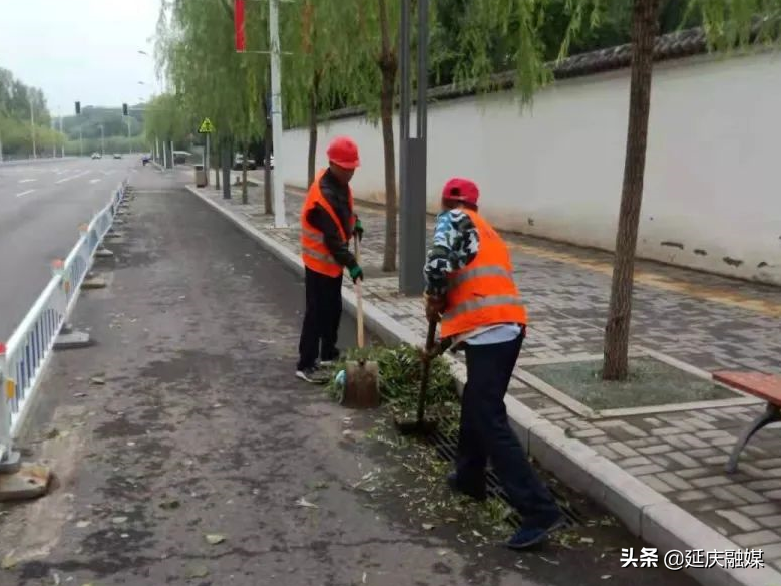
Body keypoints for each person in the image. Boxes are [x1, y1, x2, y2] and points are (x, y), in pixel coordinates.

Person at [424, 177, 565, 549]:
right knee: (477, 403)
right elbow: (474, 283)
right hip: (509, 328)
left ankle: (539, 510)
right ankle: (470, 476)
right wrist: (443, 340)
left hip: (489, 330)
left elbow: (438, 266)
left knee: (487, 415)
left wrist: (433, 298)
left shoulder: (452, 220)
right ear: (476, 204)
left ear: (447, 202)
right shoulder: (488, 233)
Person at [296, 136, 364, 383]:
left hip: (332, 265)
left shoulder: (340, 186)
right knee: (316, 312)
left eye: (352, 169)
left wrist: (354, 223)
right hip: (318, 263)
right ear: (333, 164)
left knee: (333, 309)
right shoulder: (322, 195)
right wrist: (353, 264)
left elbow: (344, 212)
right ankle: (305, 363)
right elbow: (333, 241)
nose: (350, 173)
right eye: (346, 169)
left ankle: (328, 353)